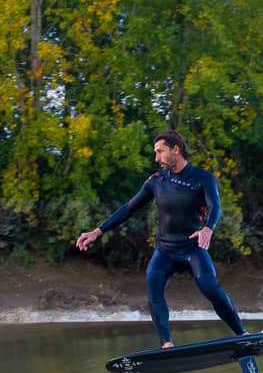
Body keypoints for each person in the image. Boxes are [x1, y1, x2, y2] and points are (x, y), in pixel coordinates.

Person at [76, 130, 248, 348]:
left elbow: (215, 206)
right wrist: (97, 231)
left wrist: (208, 229)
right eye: (155, 153)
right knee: (153, 287)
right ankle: (166, 343)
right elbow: (128, 208)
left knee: (210, 288)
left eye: (160, 152)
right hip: (165, 250)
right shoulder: (156, 181)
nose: (156, 158)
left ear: (175, 149)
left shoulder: (203, 179)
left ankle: (243, 334)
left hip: (193, 248)